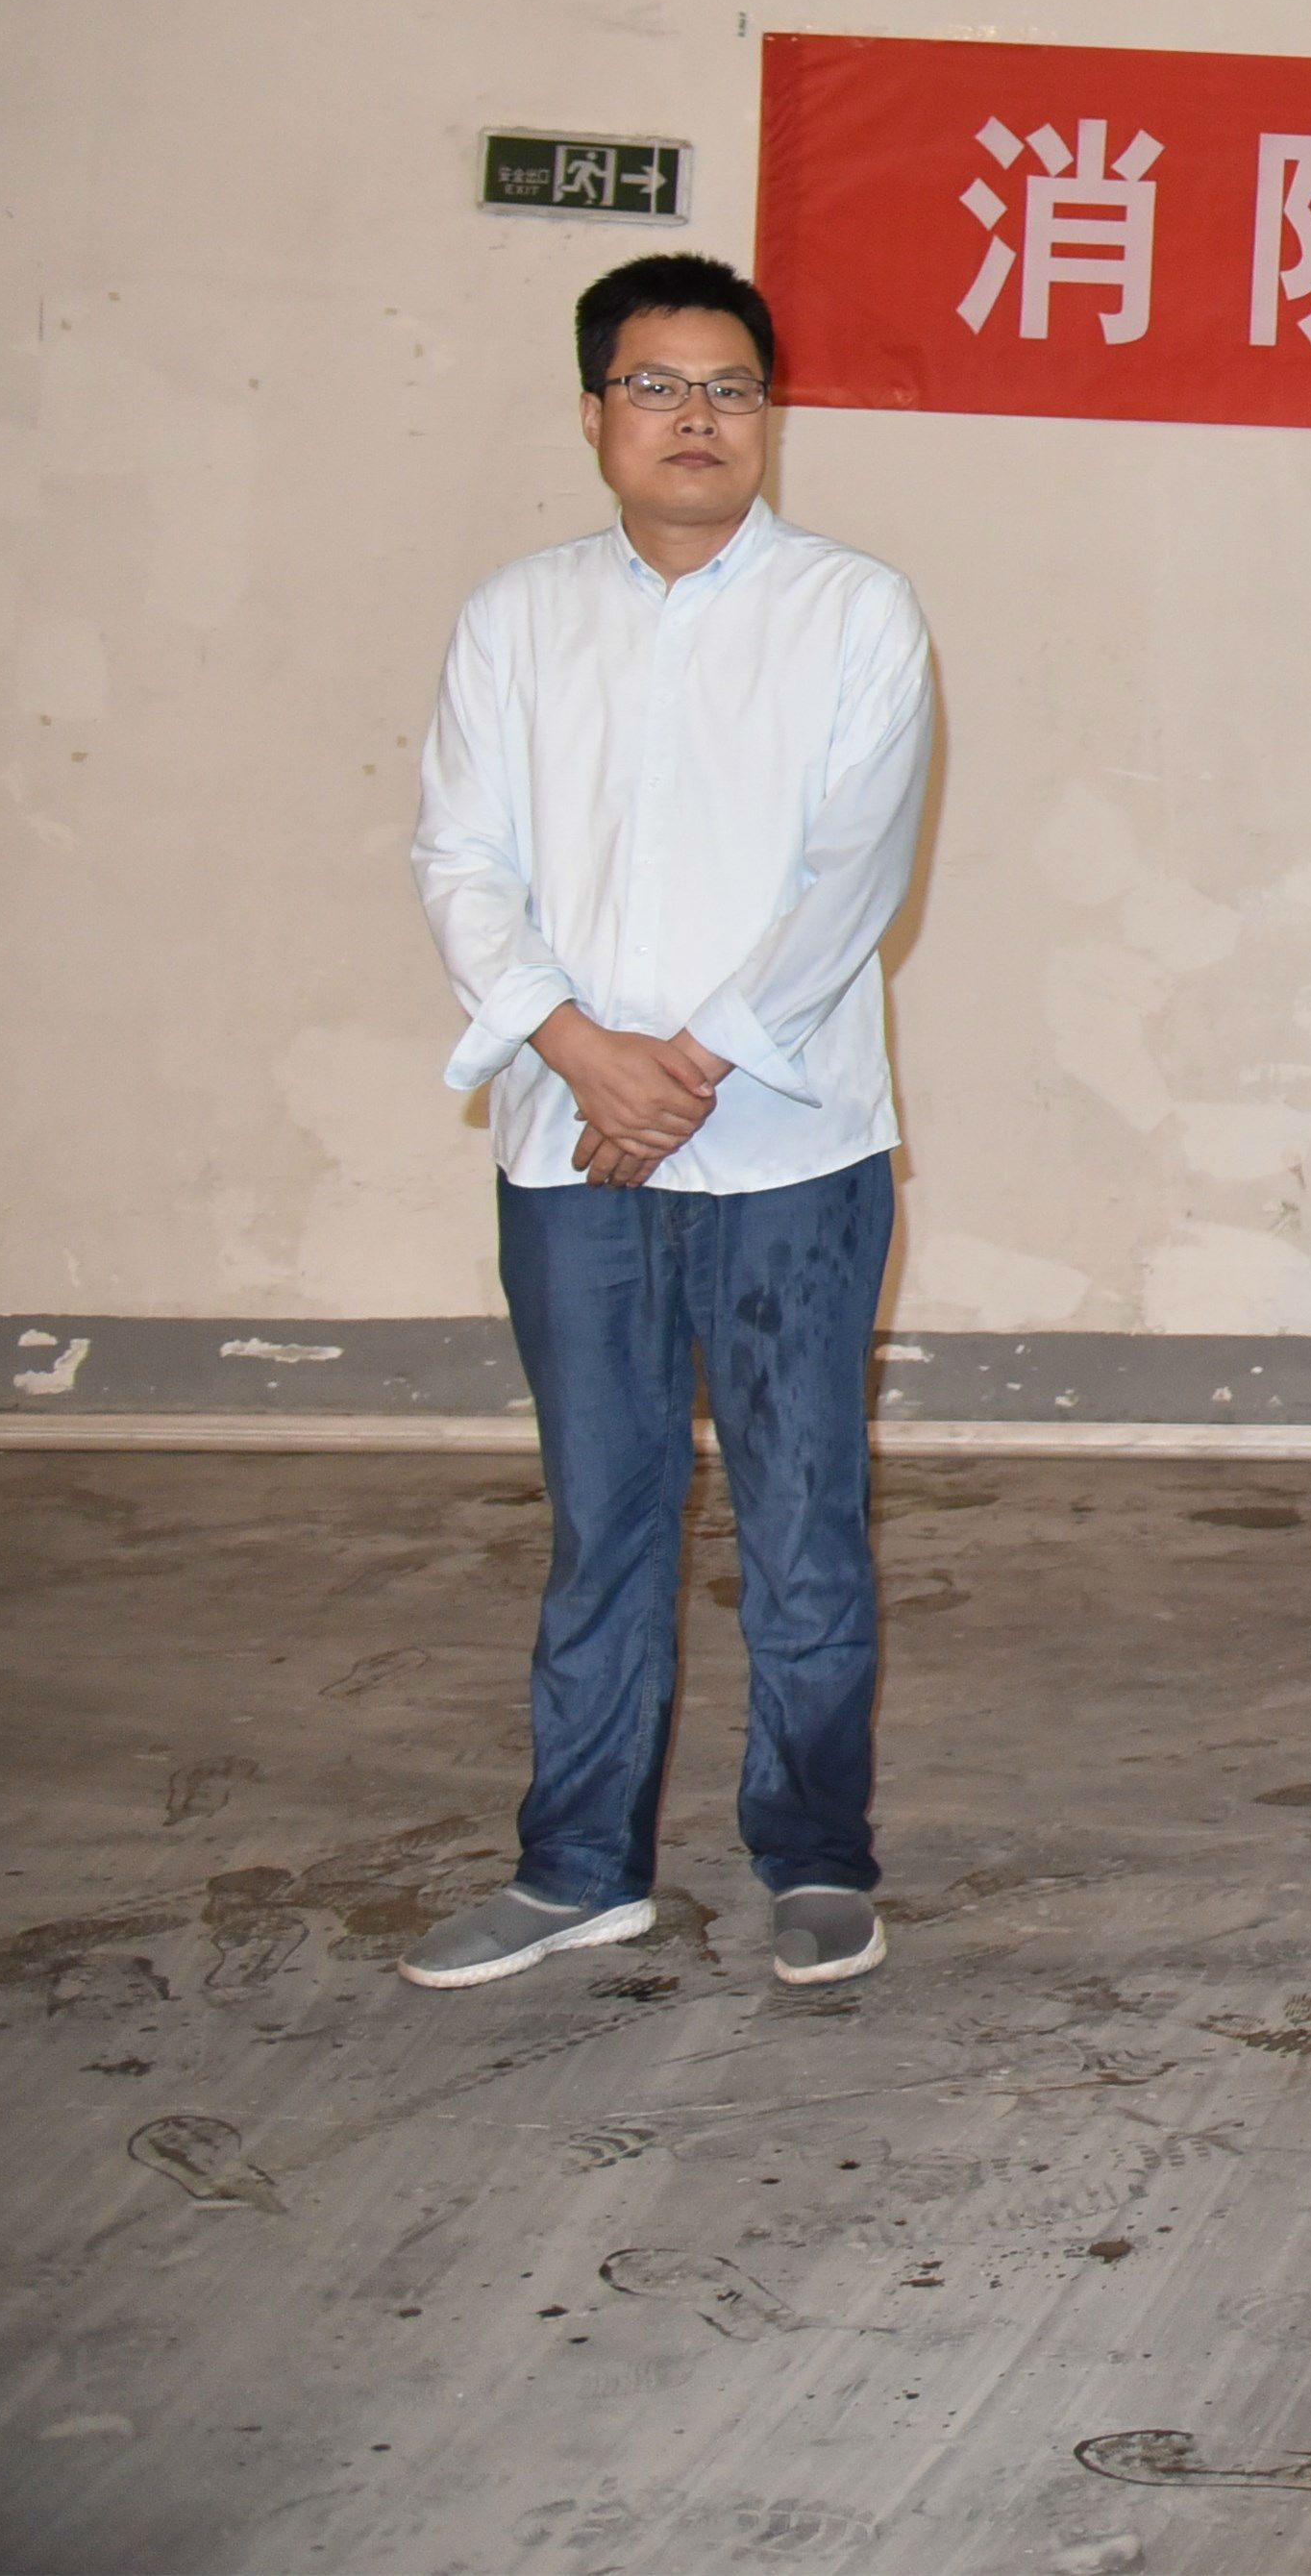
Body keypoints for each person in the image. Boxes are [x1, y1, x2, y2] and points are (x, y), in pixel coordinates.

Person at [400, 254, 938, 1994]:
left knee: (804, 1520)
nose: (695, 417)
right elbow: (461, 857)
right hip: (570, 1147)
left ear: (769, 415)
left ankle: (817, 1855)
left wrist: (681, 1064)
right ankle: (577, 1867)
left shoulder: (855, 610)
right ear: (592, 413)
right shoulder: (515, 618)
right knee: (604, 1518)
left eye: (730, 387)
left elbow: (851, 872)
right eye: (655, 384)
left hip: (790, 1150)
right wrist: (577, 1047)